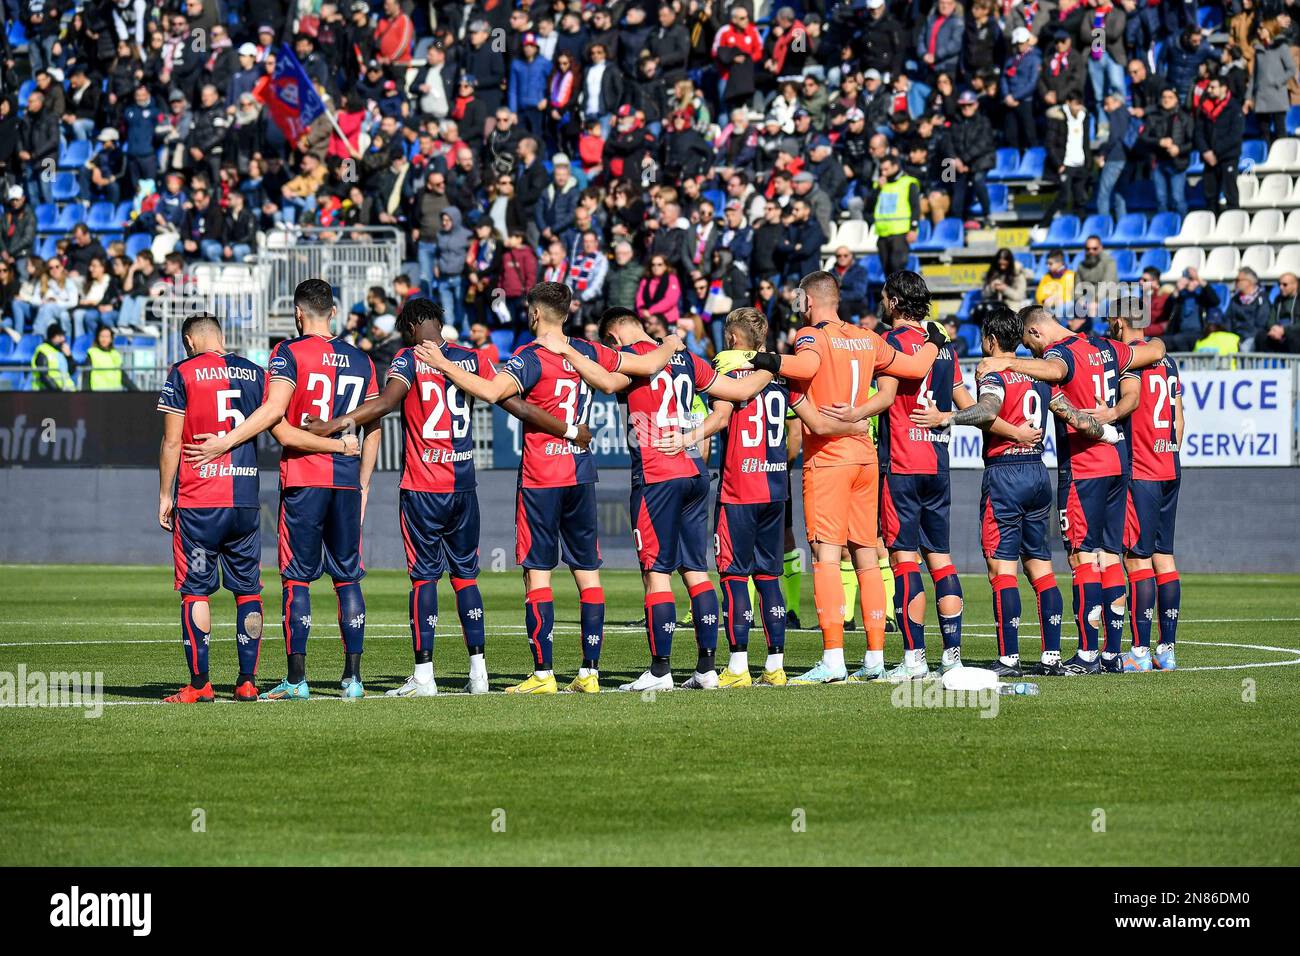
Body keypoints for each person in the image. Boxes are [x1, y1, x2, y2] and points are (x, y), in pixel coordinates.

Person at [302, 297, 585, 696]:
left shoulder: (407, 359)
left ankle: (424, 677)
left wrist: (331, 426)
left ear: (415, 326)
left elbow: (384, 404)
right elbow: (515, 404)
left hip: (423, 487)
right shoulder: (473, 358)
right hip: (465, 487)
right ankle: (479, 673)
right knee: (466, 577)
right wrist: (569, 430)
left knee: (424, 580)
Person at [414, 283, 670, 694]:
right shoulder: (588, 350)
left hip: (541, 477)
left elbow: (491, 391)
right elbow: (644, 365)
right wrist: (671, 341)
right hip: (582, 474)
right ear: (567, 314)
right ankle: (590, 673)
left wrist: (443, 362)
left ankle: (544, 674)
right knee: (588, 573)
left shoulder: (528, 357)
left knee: (538, 574)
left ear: (534, 314)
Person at [532, 305, 775, 691]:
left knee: (656, 573)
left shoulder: (631, 361)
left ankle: (660, 672)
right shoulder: (686, 358)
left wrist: (569, 352)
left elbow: (607, 383)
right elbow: (741, 391)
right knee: (696, 570)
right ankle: (707, 670)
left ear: (613, 337)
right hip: (695, 471)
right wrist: (771, 362)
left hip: (657, 476)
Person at [182, 280, 382, 700]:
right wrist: (363, 482)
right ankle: (353, 680)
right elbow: (373, 424)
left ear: (297, 314)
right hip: (346, 481)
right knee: (348, 578)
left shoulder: (288, 354)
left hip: (305, 480)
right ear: (333, 311)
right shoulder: (362, 359)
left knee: (297, 580)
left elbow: (278, 419)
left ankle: (297, 679)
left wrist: (226, 440)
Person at [751, 271, 943, 683]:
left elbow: (805, 366)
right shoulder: (868, 336)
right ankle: (874, 657)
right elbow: (916, 366)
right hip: (865, 457)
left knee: (824, 555)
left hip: (830, 461)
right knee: (867, 557)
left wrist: (763, 359)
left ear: (808, 301)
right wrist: (936, 340)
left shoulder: (811, 336)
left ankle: (834, 659)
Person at [976, 306, 1167, 675]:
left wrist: (1008, 364)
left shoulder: (1057, 353)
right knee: (1111, 557)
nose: (1033, 354)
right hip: (1118, 461)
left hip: (1083, 469)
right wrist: (1110, 415)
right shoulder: (1105, 348)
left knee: (1082, 559)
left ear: (1034, 332)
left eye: (1031, 347)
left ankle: (1087, 655)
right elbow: (1155, 350)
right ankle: (1112, 654)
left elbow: (1055, 370)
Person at [915, 305, 1064, 675]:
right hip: (1038, 470)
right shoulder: (1038, 373)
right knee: (1042, 567)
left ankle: (1009, 658)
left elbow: (986, 410)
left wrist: (946, 417)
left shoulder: (993, 370)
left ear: (992, 340)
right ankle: (1052, 657)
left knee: (1002, 569)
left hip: (1006, 473)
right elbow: (1062, 408)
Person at [1108, 310, 1183, 672]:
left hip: (1143, 471)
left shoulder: (1130, 360)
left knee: (1136, 559)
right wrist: (1169, 452)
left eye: (1110, 321)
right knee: (1164, 557)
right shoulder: (1167, 361)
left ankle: (1138, 653)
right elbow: (1179, 417)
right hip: (1170, 465)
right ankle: (1166, 650)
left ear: (1120, 321)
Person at [1196, 76, 1244, 211]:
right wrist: (1205, 151)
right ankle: (1213, 225)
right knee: (1210, 195)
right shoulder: (1205, 108)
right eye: (1209, 87)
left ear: (1223, 88)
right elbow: (1198, 132)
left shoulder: (1234, 108)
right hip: (1209, 159)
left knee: (1231, 194)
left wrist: (1215, 151)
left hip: (1227, 157)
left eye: (1213, 87)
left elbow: (1235, 135)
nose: (1209, 90)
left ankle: (1234, 225)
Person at [871, 155, 919, 277]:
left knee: (897, 266)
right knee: (887, 269)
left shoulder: (908, 182)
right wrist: (877, 189)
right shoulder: (880, 185)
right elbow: (869, 205)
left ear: (895, 166)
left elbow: (915, 207)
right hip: (883, 233)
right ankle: (891, 295)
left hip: (900, 232)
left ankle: (901, 294)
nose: (883, 172)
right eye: (882, 169)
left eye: (886, 169)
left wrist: (913, 228)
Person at [30, 322, 77, 391]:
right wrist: (57, 392)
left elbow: (71, 371)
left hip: (67, 391)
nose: (63, 339)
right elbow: (44, 376)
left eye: (63, 336)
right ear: (53, 337)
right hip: (48, 394)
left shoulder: (60, 351)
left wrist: (69, 357)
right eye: (60, 336)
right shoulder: (43, 350)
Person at [84, 325, 130, 391]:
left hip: (115, 392)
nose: (104, 339)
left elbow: (123, 377)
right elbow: (86, 377)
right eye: (102, 336)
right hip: (98, 393)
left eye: (107, 336)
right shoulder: (92, 353)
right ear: (97, 338)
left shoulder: (115, 354)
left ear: (111, 339)